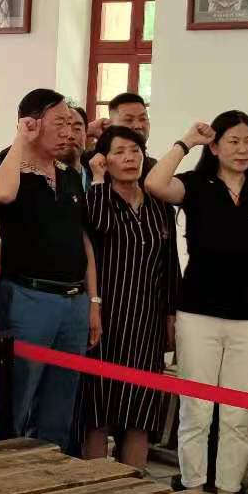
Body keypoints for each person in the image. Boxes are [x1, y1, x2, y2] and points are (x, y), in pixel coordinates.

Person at [145, 111, 248, 494]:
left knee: (238, 415)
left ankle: (227, 491)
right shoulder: (197, 186)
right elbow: (154, 183)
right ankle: (192, 487)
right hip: (198, 314)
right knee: (197, 408)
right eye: (233, 141)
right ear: (216, 147)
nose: (242, 149)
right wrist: (187, 141)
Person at [0, 89, 98, 444]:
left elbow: (83, 241)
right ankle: (4, 469)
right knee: (16, 402)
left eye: (72, 123)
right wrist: (22, 139)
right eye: (59, 123)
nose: (68, 132)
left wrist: (93, 301)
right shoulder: (9, 167)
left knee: (60, 404)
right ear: (31, 124)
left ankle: (49, 465)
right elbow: (1, 195)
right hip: (27, 298)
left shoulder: (68, 174)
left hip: (74, 302)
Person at [77, 126, 177, 470]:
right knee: (97, 410)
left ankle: (132, 483)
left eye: (135, 151)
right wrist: (98, 179)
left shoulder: (158, 205)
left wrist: (170, 315)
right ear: (104, 159)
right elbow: (98, 224)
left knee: (140, 411)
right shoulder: (96, 198)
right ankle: (94, 484)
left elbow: (170, 264)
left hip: (147, 322)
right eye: (119, 152)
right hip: (105, 319)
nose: (130, 158)